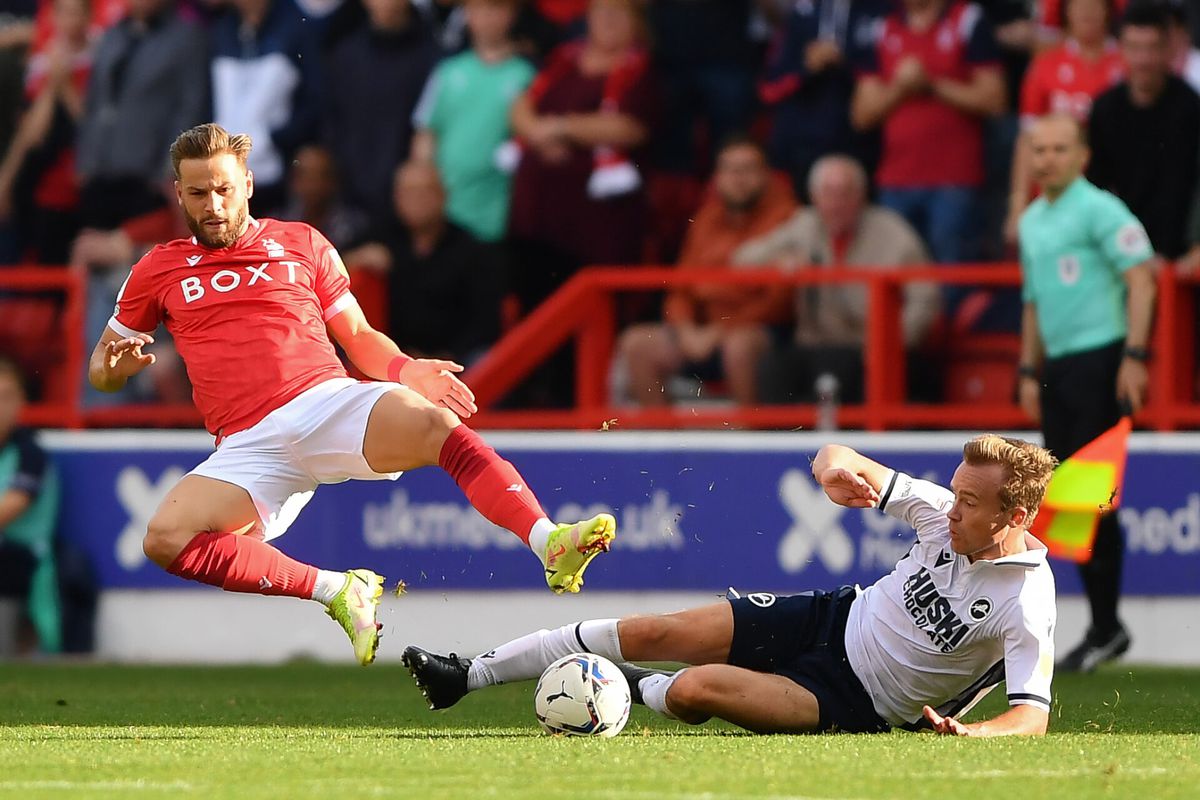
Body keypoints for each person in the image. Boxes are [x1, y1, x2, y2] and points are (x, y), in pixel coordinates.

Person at [88, 123, 617, 666]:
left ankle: (549, 542)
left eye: (224, 189)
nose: (214, 204)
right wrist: (115, 369)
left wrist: (409, 371)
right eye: (199, 193)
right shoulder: (156, 270)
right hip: (247, 445)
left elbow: (358, 337)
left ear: (247, 183)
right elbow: (100, 371)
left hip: (325, 402)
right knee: (164, 539)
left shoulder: (302, 242)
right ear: (179, 193)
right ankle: (337, 590)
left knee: (436, 426)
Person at [406, 435, 1058, 737]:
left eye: (970, 504)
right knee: (659, 631)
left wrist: (977, 735)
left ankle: (635, 689)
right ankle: (467, 676)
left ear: (1016, 517)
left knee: (693, 690)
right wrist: (834, 470)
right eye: (956, 494)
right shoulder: (941, 512)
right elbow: (837, 454)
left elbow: (1032, 712)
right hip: (828, 617)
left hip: (857, 701)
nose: (950, 511)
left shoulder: (1025, 601)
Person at [1016, 112, 1156, 672]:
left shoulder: (1099, 208)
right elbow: (1032, 301)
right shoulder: (1031, 221)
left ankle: (1106, 624)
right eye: (1039, 149)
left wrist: (1135, 357)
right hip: (1059, 368)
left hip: (1101, 361)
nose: (1047, 158)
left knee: (1093, 496)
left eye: (1058, 149)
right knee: (1069, 497)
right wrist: (1028, 369)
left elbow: (1141, 278)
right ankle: (1103, 625)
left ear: (1082, 156)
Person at [732, 154, 939, 404]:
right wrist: (780, 263)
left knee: (852, 370)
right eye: (828, 193)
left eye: (845, 193)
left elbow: (926, 298)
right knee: (773, 367)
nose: (836, 203)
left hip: (870, 349)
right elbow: (742, 259)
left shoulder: (893, 232)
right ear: (814, 197)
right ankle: (777, 443)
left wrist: (890, 343)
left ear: (861, 196)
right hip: (814, 346)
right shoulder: (804, 225)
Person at [615, 137, 796, 407]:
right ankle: (662, 441)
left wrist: (721, 330)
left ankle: (749, 439)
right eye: (730, 170)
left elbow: (781, 300)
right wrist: (686, 329)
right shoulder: (704, 220)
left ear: (766, 175)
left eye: (747, 169)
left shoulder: (788, 219)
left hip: (759, 331)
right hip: (703, 332)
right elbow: (681, 289)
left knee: (739, 347)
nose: (738, 179)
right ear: (717, 177)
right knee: (636, 344)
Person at [506, 0, 656, 313]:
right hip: (538, 217)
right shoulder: (564, 59)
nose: (608, 20)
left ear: (637, 22)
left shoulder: (641, 68)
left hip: (595, 227)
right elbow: (522, 106)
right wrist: (537, 132)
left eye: (618, 13)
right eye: (601, 12)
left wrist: (560, 128)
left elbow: (628, 128)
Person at [850, 0, 1007, 268]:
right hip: (896, 178)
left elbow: (995, 100)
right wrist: (901, 89)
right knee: (895, 275)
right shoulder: (882, 26)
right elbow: (862, 116)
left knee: (952, 280)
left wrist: (932, 85)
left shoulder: (966, 19)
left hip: (955, 180)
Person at [343, 161, 504, 365]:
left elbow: (486, 322)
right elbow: (331, 261)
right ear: (396, 197)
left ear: (443, 195)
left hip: (455, 359)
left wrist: (446, 357)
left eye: (424, 192)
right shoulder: (382, 235)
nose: (416, 200)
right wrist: (358, 257)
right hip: (393, 358)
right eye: (407, 192)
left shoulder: (471, 250)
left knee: (484, 359)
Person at [410, 0, 534, 244]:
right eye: (478, 9)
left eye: (495, 8)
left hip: (496, 215)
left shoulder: (526, 75)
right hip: (444, 213)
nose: (487, 18)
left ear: (512, 14)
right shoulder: (447, 72)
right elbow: (426, 134)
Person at [1004, 0, 1124, 246]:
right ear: (1066, 12)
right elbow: (1028, 139)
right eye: (1079, 6)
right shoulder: (1045, 66)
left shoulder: (1128, 64)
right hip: (1052, 196)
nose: (1086, 12)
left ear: (1108, 10)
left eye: (1094, 5)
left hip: (1110, 197)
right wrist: (1017, 206)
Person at [1087, 1, 1200, 260]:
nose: (1143, 60)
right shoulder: (1105, 108)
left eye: (1152, 48)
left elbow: (1190, 186)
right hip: (1120, 251)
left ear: (1168, 50)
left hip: (1180, 257)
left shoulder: (1190, 107)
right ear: (1121, 50)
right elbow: (1098, 186)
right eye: (1135, 48)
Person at [324, 0, 441, 227]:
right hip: (350, 194)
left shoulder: (433, 58)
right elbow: (332, 121)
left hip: (409, 198)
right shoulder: (346, 55)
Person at [758, 0, 889, 201]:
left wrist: (846, 65)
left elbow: (888, 71)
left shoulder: (882, 11)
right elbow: (770, 88)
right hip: (805, 143)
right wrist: (806, 67)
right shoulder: (801, 14)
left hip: (862, 141)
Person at [0, 0, 93, 264]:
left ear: (88, 17)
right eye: (61, 12)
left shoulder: (100, 59)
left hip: (80, 184)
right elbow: (33, 135)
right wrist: (53, 84)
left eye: (74, 12)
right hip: (42, 187)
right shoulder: (42, 65)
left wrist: (63, 85)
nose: (68, 21)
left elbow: (90, 125)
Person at [210, 0, 323, 216]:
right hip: (221, 173)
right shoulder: (221, 31)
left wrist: (275, 140)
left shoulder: (296, 28)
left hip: (275, 176)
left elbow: (313, 100)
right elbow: (208, 99)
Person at [0, 357, 61, 655]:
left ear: (21, 402)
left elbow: (12, 506)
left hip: (23, 555)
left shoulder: (29, 453)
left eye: (6, 397)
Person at [277, 144, 367, 249]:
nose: (309, 186)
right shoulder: (278, 223)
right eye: (302, 176)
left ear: (333, 182)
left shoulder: (355, 227)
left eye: (316, 177)